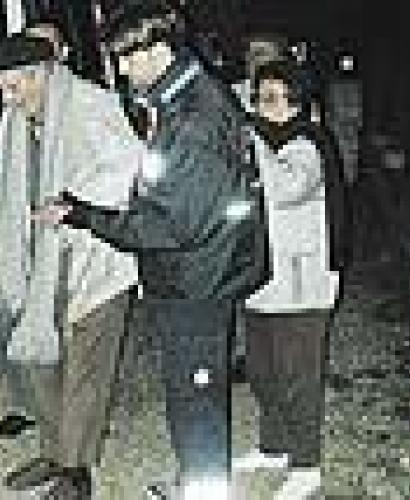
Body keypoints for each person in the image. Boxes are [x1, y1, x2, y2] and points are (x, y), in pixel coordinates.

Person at [34, 3, 269, 498]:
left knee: (197, 396)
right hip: (193, 273)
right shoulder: (179, 102)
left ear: (158, 48)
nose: (122, 70)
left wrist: (84, 216)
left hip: (197, 281)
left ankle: (204, 491)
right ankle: (195, 482)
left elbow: (170, 225)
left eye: (127, 58)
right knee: (189, 392)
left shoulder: (195, 118)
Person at [0, 29, 143, 498]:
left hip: (91, 257)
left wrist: (74, 202)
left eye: (14, 87)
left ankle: (76, 471)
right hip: (35, 259)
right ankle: (53, 452)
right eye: (2, 89)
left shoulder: (91, 104)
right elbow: (2, 171)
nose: (8, 99)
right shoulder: (15, 115)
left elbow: (128, 165)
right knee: (39, 361)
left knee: (85, 370)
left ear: (40, 75)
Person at [235, 60, 345, 500]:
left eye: (277, 98)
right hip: (262, 280)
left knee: (299, 376)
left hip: (303, 285)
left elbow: (285, 188)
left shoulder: (308, 143)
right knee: (263, 372)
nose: (267, 107)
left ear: (298, 101)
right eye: (261, 98)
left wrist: (250, 138)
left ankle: (306, 464)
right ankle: (274, 446)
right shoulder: (263, 143)